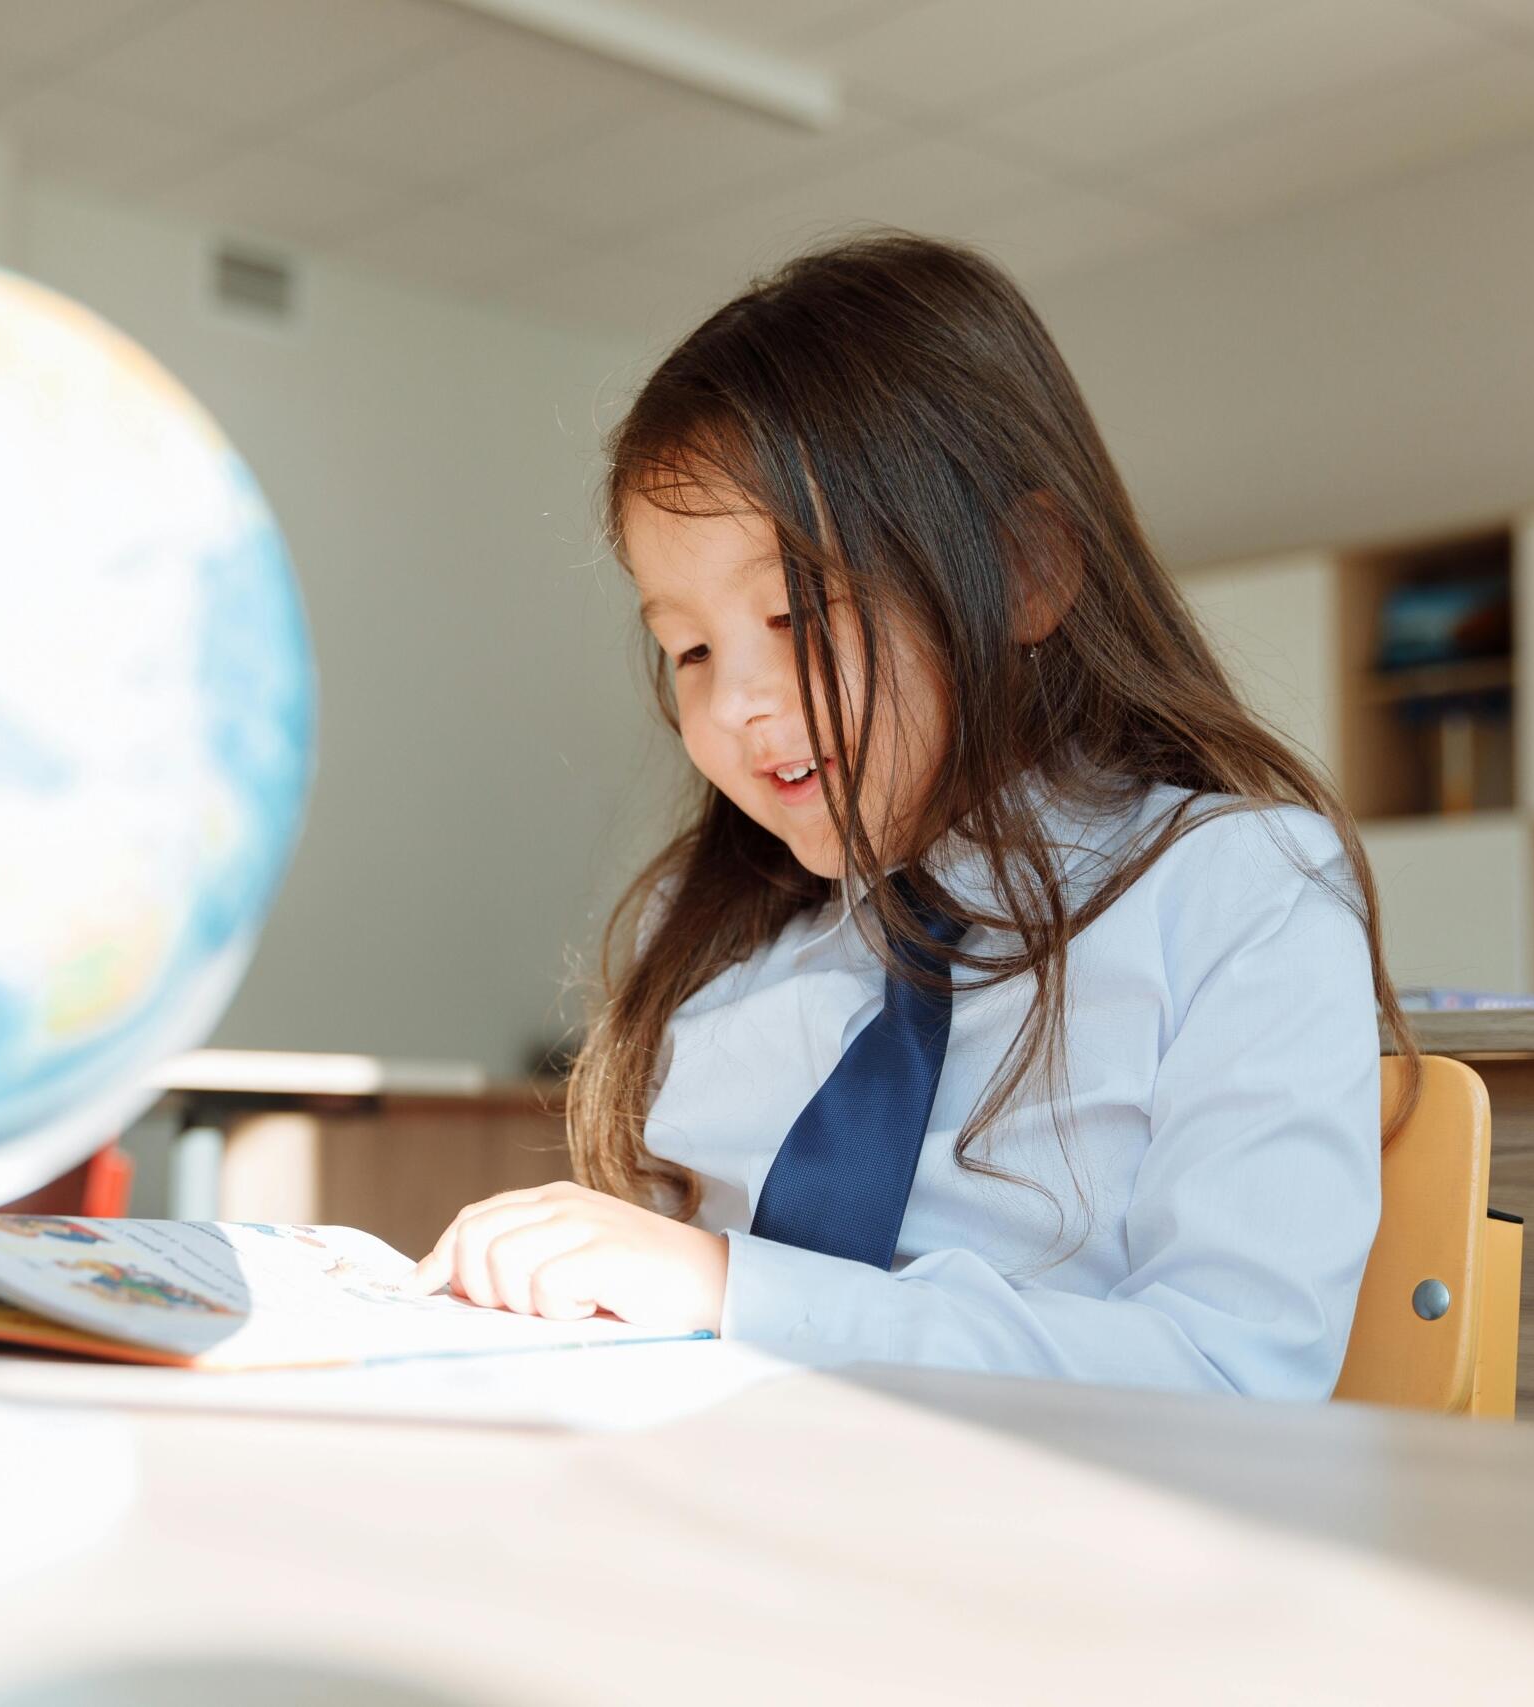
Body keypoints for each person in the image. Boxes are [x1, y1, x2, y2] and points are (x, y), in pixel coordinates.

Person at [410, 233, 1410, 1399]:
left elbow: (1237, 1373)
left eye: (793, 615)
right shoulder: (710, 942)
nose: (732, 704)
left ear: (1026, 572)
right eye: (685, 647)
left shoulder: (1239, 893)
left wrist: (734, 1290)